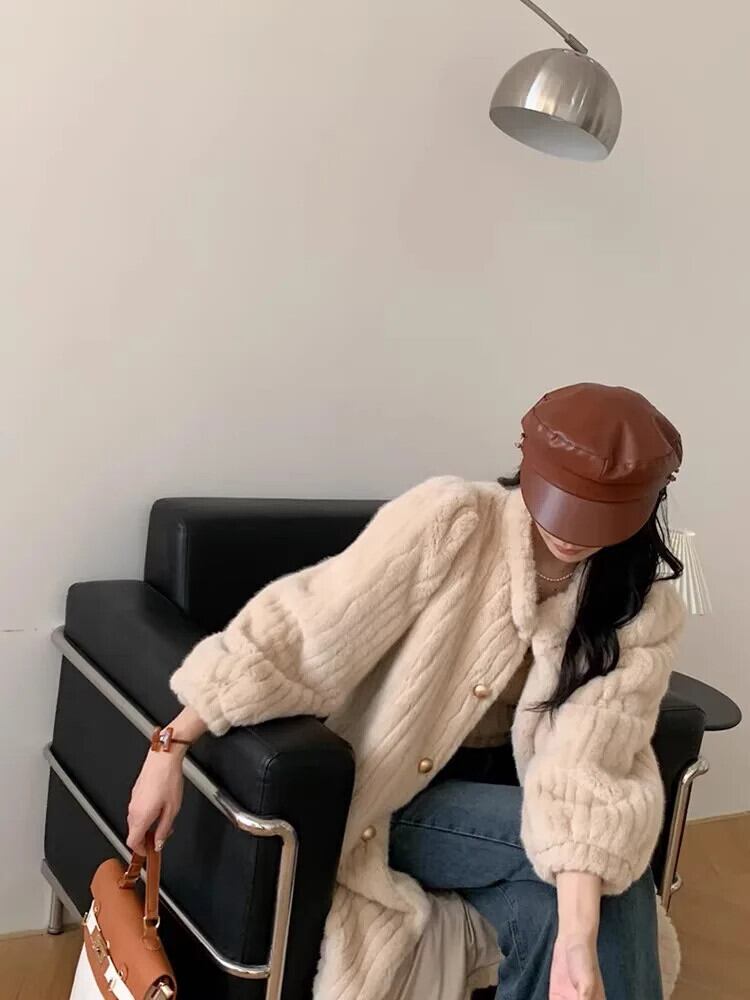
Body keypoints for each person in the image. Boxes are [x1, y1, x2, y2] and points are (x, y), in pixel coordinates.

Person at [127, 383, 685, 1000]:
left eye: (596, 517)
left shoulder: (640, 608)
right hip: (395, 794)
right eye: (560, 502)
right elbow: (313, 628)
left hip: (520, 796)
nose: (571, 535)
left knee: (564, 905)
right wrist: (170, 743)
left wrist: (578, 939)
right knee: (613, 874)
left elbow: (587, 764)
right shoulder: (453, 520)